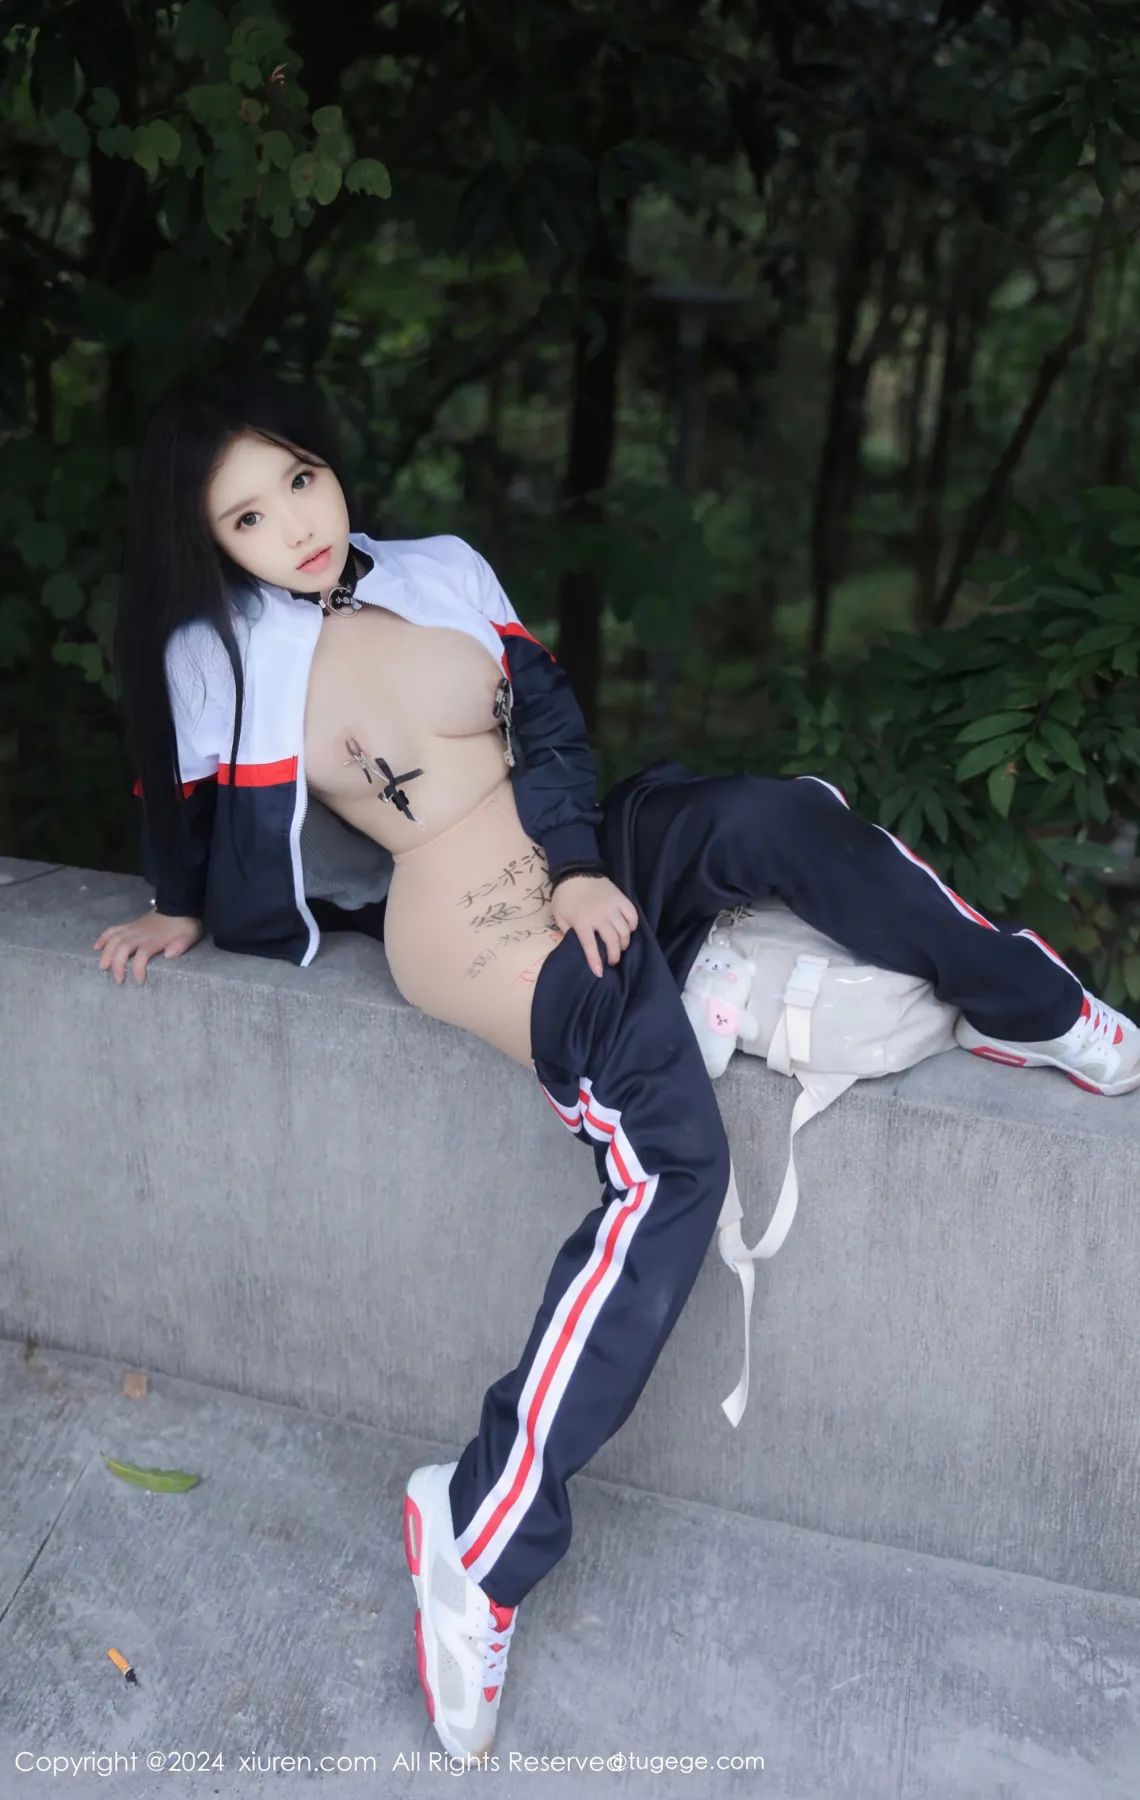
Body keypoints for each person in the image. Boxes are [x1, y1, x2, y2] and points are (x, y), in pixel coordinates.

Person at [95, 363, 1140, 1762]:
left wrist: (587, 863)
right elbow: (178, 799)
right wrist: (174, 902)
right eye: (247, 516)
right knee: (674, 1164)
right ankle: (478, 1533)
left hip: (579, 852)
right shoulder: (214, 656)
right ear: (208, 543)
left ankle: (1030, 1004)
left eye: (300, 477)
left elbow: (550, 724)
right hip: (471, 920)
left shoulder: (439, 566)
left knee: (773, 818)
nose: (295, 522)